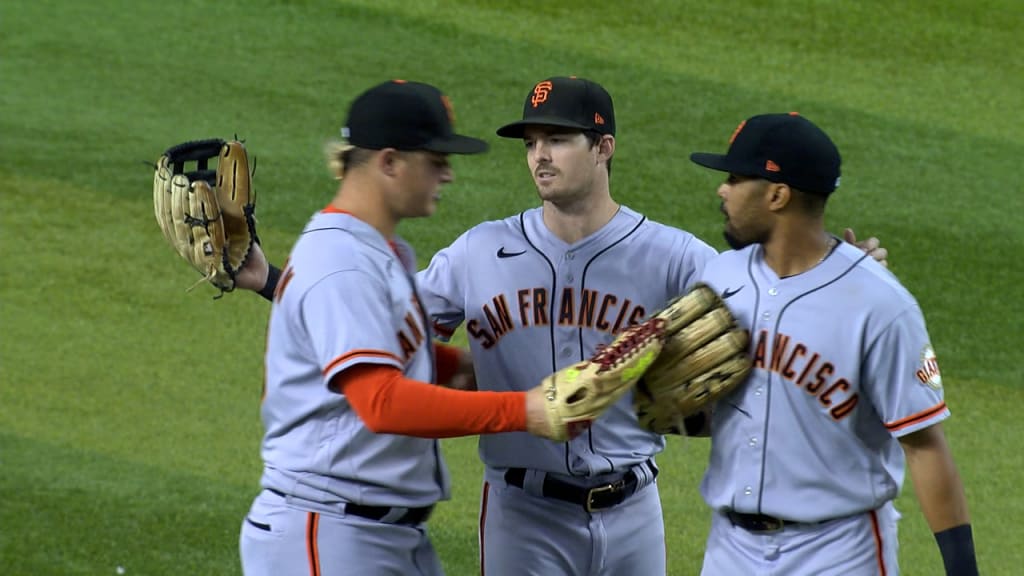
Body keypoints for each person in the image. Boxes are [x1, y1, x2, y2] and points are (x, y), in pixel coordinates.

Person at [237, 77, 889, 575]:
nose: (540, 155)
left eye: (558, 139)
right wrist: (271, 281)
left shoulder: (672, 255)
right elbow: (367, 334)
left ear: (603, 147)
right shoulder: (476, 252)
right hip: (523, 511)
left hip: (633, 506)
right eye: (532, 142)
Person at [237, 79, 577, 576]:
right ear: (390, 162)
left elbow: (406, 355)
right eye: (436, 159)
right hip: (328, 533)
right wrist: (525, 409)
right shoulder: (342, 261)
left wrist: (524, 379)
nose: (448, 174)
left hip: (377, 534)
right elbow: (381, 401)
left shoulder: (378, 250)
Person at [688, 112, 977, 575]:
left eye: (735, 178)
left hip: (839, 553)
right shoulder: (718, 278)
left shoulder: (879, 304)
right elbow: (709, 413)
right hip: (730, 550)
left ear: (777, 194)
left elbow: (924, 445)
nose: (722, 189)